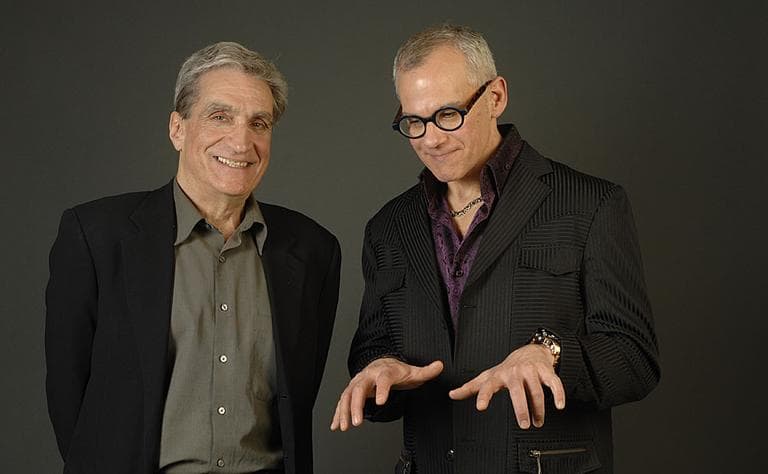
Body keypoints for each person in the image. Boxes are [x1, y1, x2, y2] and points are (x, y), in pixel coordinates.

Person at [331, 24, 659, 473]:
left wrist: (550, 352)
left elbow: (634, 359)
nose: (430, 139)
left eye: (448, 114)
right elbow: (372, 349)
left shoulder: (591, 204)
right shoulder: (388, 227)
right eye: (413, 122)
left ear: (496, 97)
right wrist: (380, 371)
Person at [45, 42, 340, 474]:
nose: (241, 141)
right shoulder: (96, 236)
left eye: (259, 122)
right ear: (177, 129)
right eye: (220, 116)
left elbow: (299, 394)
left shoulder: (313, 250)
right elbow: (69, 395)